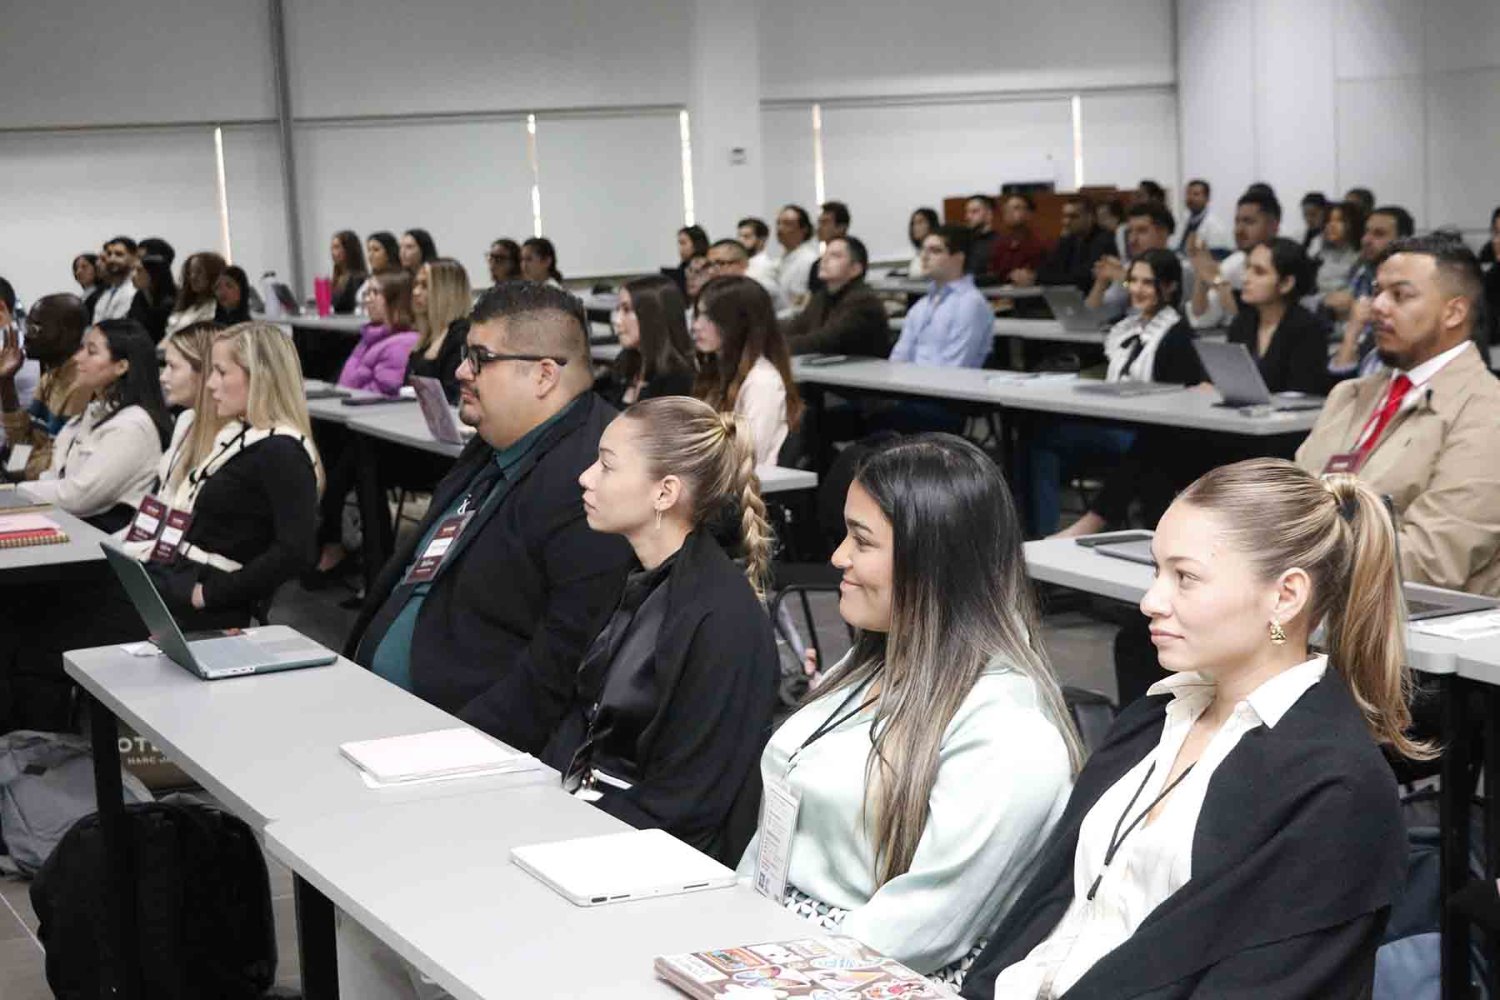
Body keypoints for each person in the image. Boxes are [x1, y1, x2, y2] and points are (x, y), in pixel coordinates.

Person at [964, 458, 1411, 1000]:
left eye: (1186, 578)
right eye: (1156, 571)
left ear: (1285, 597)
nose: (1151, 601)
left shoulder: (1337, 790)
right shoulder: (1156, 717)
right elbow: (1049, 910)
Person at [738, 434, 1080, 981]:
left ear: (935, 563)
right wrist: (728, 926)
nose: (838, 557)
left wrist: (767, 969)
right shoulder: (872, 663)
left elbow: (922, 929)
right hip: (781, 944)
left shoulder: (1012, 737)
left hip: (863, 973)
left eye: (862, 540)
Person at [348, 282, 634, 747]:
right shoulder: (498, 439)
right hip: (381, 711)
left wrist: (454, 747)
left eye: (480, 358)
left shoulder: (596, 477)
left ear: (543, 375)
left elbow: (559, 668)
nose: (461, 370)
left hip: (454, 740)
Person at [545, 396, 779, 859]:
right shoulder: (634, 575)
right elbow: (583, 717)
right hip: (594, 816)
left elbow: (686, 804)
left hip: (651, 856)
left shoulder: (722, 622)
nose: (586, 477)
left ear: (665, 493)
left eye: (607, 466)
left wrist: (563, 826)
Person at [1297, 234, 1500, 594]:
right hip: (1313, 595)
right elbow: (1292, 503)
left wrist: (1292, 560)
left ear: (1454, 312)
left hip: (1409, 618)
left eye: (1400, 295)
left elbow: (1431, 559)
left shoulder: (1487, 410)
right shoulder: (1349, 395)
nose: (1377, 306)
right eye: (1377, 291)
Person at [1026, 250, 1204, 536]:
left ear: (1170, 286)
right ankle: (1040, 532)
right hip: (1114, 421)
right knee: (1037, 436)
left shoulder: (1178, 335)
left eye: (1147, 282)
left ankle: (1091, 523)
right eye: (1133, 281)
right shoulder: (1127, 327)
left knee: (1146, 448)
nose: (1137, 289)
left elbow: (1176, 399)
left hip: (1152, 431)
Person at [22, 318, 169, 531]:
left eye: (91, 352)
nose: (77, 358)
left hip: (96, 539)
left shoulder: (133, 427)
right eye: (82, 348)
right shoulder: (93, 411)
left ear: (121, 366)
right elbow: (55, 475)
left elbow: (79, 497)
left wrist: (17, 492)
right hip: (62, 524)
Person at [692, 275, 802, 467]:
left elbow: (748, 457)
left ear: (739, 323)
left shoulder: (762, 381)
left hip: (748, 482)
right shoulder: (716, 371)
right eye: (698, 315)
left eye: (709, 318)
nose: (696, 326)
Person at [1222, 238, 1330, 397]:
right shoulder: (1242, 322)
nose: (1245, 278)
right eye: (1247, 268)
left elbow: (1302, 394)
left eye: (1259, 272)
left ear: (1286, 283)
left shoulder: (1308, 329)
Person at [0, 293, 90, 480]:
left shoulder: (83, 385)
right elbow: (23, 440)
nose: (26, 336)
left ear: (67, 333)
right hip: (30, 481)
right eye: (27, 327)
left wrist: (16, 474)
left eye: (35, 328)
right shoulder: (50, 377)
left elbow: (59, 464)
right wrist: (6, 381)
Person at [1327, 205, 1415, 380]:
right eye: (1366, 232)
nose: (1366, 240)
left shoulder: (1413, 287)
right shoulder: (1362, 271)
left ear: (1403, 240)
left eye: (1379, 234)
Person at [892, 226, 993, 368]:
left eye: (935, 251)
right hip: (911, 379)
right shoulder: (921, 305)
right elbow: (899, 357)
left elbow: (955, 367)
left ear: (958, 258)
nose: (924, 257)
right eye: (923, 250)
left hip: (947, 381)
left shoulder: (971, 304)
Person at [1185, 188, 1282, 328]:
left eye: (1249, 222)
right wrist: (1203, 275)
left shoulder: (1286, 262)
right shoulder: (1233, 264)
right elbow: (1201, 319)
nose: (1239, 230)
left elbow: (1258, 322)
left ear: (1274, 225)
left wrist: (1218, 281)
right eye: (1237, 222)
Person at [782, 235, 889, 358]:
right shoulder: (822, 296)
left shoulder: (864, 301)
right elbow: (796, 326)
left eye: (835, 256)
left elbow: (825, 341)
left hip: (863, 368)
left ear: (855, 269)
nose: (824, 260)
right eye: (824, 254)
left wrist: (775, 346)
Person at [596, 275, 694, 408]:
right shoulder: (625, 363)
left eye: (626, 310)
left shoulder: (678, 380)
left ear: (653, 316)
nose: (616, 320)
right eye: (618, 309)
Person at [1086, 202, 1183, 314]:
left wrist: (1123, 278)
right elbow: (1092, 315)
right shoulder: (1128, 267)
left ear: (1162, 233)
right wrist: (1101, 282)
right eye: (1130, 232)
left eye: (1141, 231)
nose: (1132, 240)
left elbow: (1162, 308)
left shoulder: (1182, 267)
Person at [407, 258, 472, 404]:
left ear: (447, 291)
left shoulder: (461, 336)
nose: (415, 292)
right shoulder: (426, 338)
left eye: (425, 286)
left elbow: (452, 397)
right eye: (416, 284)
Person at [1039, 199, 1116, 292]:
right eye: (1065, 216)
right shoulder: (1069, 239)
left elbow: (1084, 278)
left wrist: (1047, 278)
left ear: (1090, 217)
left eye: (1073, 217)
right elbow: (1048, 269)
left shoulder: (1105, 240)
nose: (1066, 222)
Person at [706, 238, 789, 313]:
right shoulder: (724, 287)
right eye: (709, 265)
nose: (711, 271)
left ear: (742, 264)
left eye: (720, 263)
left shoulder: (758, 286)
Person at [989, 194, 1047, 287]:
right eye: (1007, 209)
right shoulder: (999, 243)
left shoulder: (1040, 243)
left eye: (1016, 208)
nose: (1009, 212)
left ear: (1029, 214)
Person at [1313, 201, 1364, 298]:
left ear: (1353, 224)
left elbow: (1354, 292)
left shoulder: (1360, 256)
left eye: (1339, 221)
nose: (1332, 225)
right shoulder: (1319, 251)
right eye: (1328, 221)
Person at [774, 205, 820, 312]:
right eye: (778, 223)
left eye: (787, 224)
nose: (780, 228)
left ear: (804, 229)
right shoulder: (778, 261)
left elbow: (802, 304)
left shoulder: (810, 261)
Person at [167, 252, 226, 335]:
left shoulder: (216, 310)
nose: (193, 277)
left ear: (213, 275)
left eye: (199, 272)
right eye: (190, 272)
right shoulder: (187, 307)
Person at [127, 254, 176, 343]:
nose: (132, 275)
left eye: (139, 270)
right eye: (133, 270)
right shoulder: (140, 296)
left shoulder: (172, 303)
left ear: (154, 274)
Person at [1173, 179, 1231, 255]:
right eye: (1188, 193)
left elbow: (1216, 257)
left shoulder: (1216, 227)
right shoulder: (1182, 221)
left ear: (1207, 198)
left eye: (1196, 194)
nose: (1190, 198)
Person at [805, 201, 851, 296]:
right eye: (819, 222)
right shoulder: (817, 265)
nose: (819, 228)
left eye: (825, 222)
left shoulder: (852, 258)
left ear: (841, 227)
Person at [91, 236, 139, 322]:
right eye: (109, 254)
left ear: (134, 259)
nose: (112, 259)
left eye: (119, 254)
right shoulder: (106, 294)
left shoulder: (135, 290)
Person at [356, 231, 402, 311]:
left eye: (376, 250)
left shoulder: (397, 280)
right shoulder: (370, 278)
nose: (370, 255)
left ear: (389, 253)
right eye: (369, 250)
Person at [736, 216, 781, 294]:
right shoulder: (739, 263)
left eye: (746, 237)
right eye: (739, 236)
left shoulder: (766, 266)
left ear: (762, 240)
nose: (740, 240)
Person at [329, 230, 368, 314]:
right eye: (332, 248)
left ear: (348, 250)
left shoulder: (357, 279)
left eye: (337, 247)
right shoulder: (337, 278)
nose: (332, 253)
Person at [964, 194, 999, 283]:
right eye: (967, 212)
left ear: (989, 214)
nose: (968, 217)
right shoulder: (963, 242)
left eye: (974, 211)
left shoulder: (1000, 243)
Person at [668, 225, 711, 295]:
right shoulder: (682, 267)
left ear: (696, 243)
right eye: (689, 271)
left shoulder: (708, 264)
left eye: (683, 243)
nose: (680, 248)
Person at [907, 207, 939, 278]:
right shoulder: (919, 252)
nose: (915, 227)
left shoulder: (937, 251)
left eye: (920, 222)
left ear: (931, 224)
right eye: (913, 223)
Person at [73, 253, 104, 318]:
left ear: (97, 269)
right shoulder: (80, 298)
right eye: (76, 268)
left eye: (84, 267)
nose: (79, 272)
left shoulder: (103, 295)